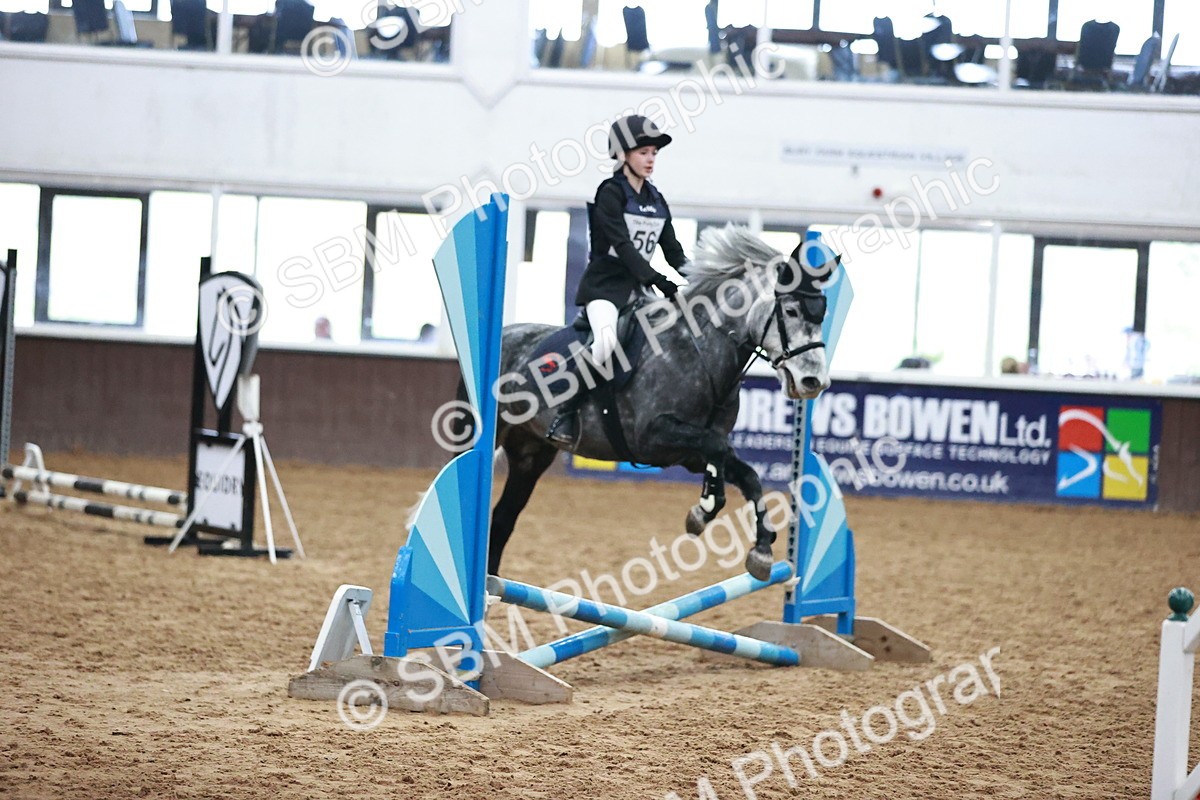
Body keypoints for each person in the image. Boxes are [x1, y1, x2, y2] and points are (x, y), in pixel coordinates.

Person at [545, 114, 687, 446]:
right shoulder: (610, 193)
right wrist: (658, 279)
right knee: (606, 343)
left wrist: (701, 278)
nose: (651, 159)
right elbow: (622, 247)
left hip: (640, 290)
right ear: (623, 154)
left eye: (654, 152)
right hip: (605, 288)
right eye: (643, 152)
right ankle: (565, 413)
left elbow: (674, 250)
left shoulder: (655, 199)